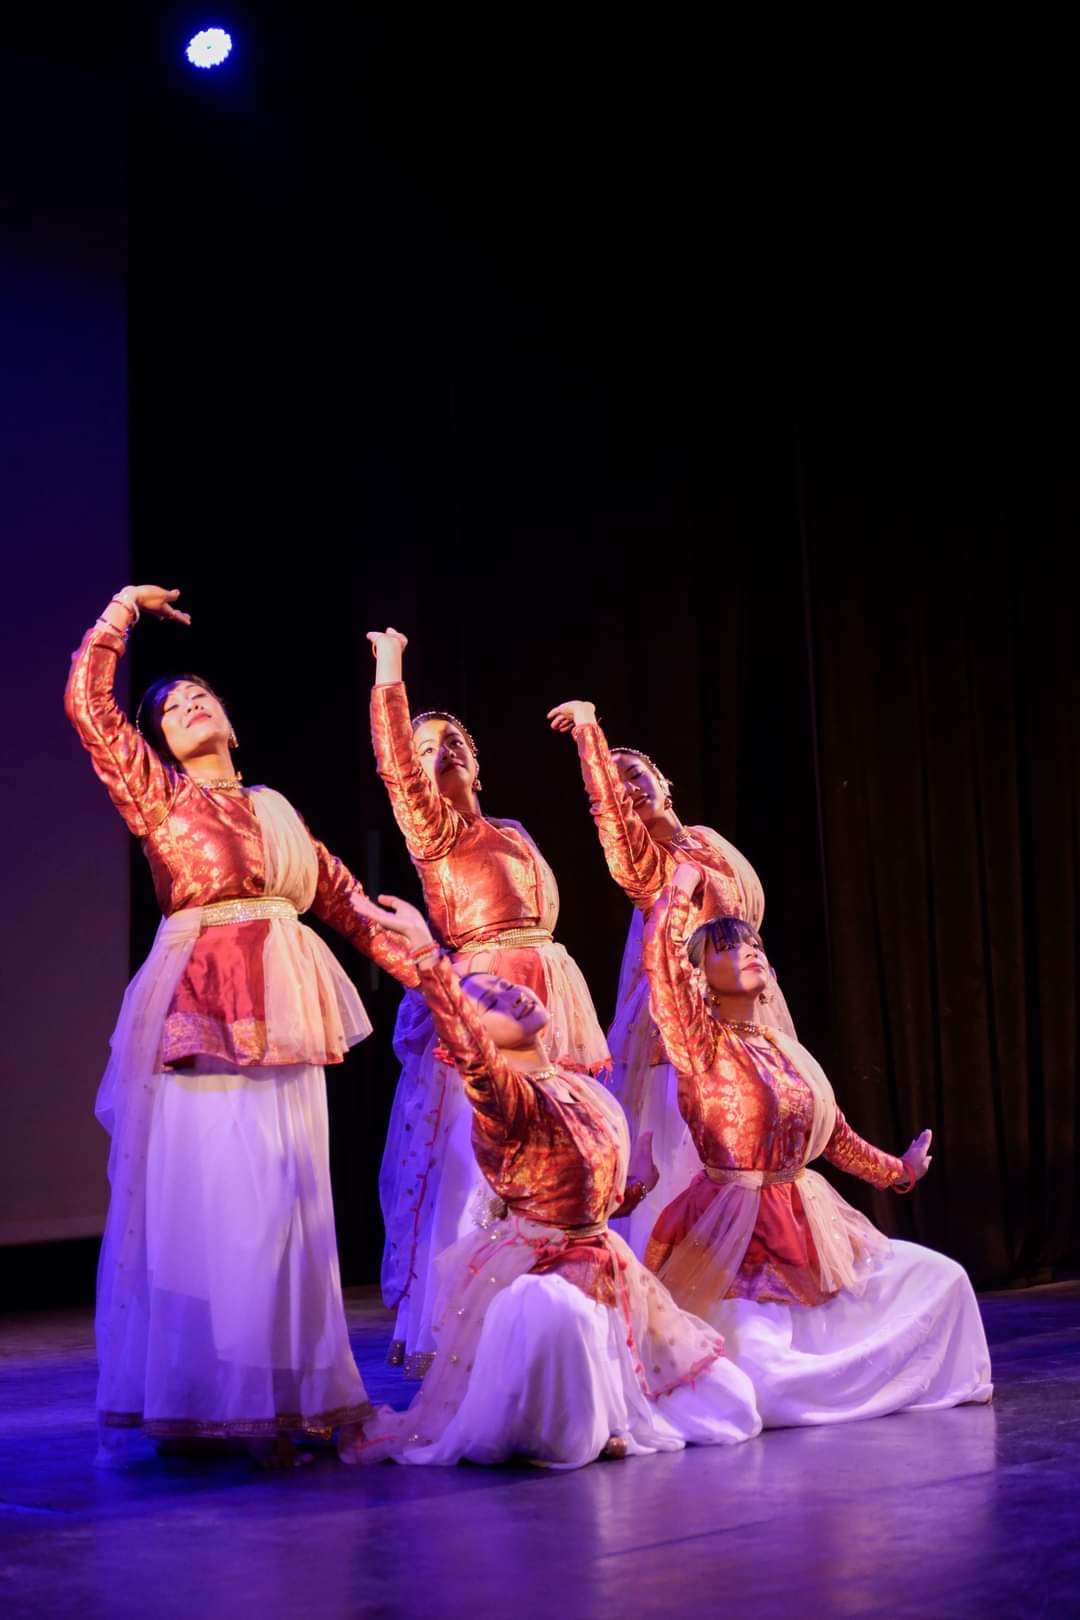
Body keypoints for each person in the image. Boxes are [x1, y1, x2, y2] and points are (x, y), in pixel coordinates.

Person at [65, 585, 418, 1467]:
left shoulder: (277, 810)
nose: (188, 707)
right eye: (171, 708)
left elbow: (343, 902)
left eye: (200, 696)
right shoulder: (159, 798)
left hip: (289, 1008)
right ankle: (218, 1400)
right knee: (219, 1206)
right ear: (157, 743)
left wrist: (434, 963)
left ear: (229, 719)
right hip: (202, 1008)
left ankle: (293, 1396)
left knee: (292, 1205)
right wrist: (120, 614)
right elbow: (88, 705)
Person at [343, 891, 762, 1469]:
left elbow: (592, 1191)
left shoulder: (580, 1086)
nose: (509, 990)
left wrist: (633, 1184)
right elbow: (468, 1051)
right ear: (477, 1037)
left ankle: (607, 1408)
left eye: (502, 986)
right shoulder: (504, 1097)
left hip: (603, 1258)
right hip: (543, 1266)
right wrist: (426, 960)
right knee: (563, 1337)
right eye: (488, 1001)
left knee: (732, 1405)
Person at [639, 863, 993, 1426]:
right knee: (764, 1387)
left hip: (808, 1220)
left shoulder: (785, 1047)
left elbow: (836, 1137)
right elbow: (660, 964)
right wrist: (678, 893)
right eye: (728, 948)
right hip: (735, 1231)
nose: (748, 952)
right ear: (701, 976)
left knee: (943, 1280)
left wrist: (898, 1170)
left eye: (754, 944)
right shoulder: (699, 1044)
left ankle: (863, 1384)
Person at [369, 631, 609, 1377]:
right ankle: (469, 1320)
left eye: (454, 741)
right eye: (427, 746)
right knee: (479, 1156)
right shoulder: (435, 833)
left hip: (549, 980)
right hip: (486, 985)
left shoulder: (512, 830)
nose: (443, 753)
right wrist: (391, 668)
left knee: (561, 1139)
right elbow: (399, 771)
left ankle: (562, 1299)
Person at [548, 699, 795, 1252]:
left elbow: (744, 920)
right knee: (687, 1160)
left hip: (744, 1013)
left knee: (752, 1150)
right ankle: (676, 1296)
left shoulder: (708, 842)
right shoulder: (648, 865)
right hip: (682, 1025)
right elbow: (613, 818)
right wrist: (590, 731)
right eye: (615, 785)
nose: (628, 788)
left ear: (664, 781)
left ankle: (749, 1283)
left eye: (635, 773)